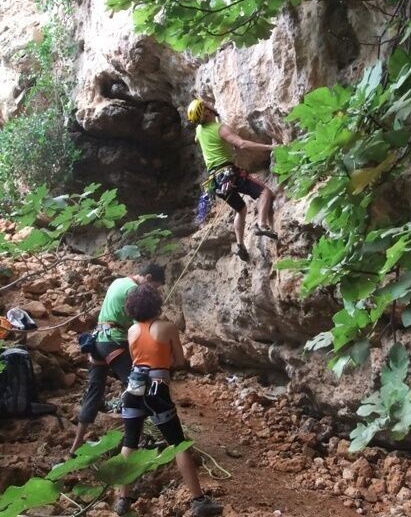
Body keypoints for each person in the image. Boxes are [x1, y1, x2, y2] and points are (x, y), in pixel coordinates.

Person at [115, 284, 223, 517]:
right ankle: (198, 501)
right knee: (177, 443)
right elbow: (179, 360)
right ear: (156, 303)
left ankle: (122, 500)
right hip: (157, 390)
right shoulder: (167, 327)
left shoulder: (132, 331)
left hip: (133, 388)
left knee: (129, 442)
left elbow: (136, 360)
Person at [69, 263, 166, 456]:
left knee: (94, 392)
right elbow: (141, 325)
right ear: (147, 278)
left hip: (98, 340)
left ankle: (76, 445)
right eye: (154, 286)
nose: (153, 291)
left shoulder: (118, 281)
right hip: (113, 341)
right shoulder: (134, 290)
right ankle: (144, 437)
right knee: (138, 386)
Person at [187, 97, 277, 261]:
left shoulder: (199, 131)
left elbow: (199, 137)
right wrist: (271, 147)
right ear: (206, 113)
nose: (208, 105)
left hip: (216, 182)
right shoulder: (220, 129)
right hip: (230, 174)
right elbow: (241, 144)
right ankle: (262, 224)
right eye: (205, 106)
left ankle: (240, 245)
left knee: (241, 209)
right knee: (265, 192)